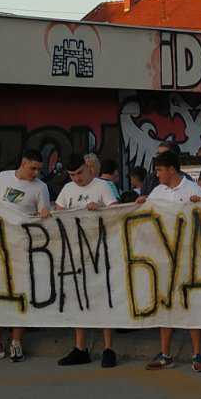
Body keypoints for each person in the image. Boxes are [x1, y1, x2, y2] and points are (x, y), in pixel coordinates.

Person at [0, 149, 52, 362]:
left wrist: (45, 212)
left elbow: (44, 216)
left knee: (20, 294)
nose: (36, 173)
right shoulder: (3, 177)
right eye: (33, 168)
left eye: (39, 169)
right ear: (23, 163)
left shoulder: (41, 188)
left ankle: (16, 341)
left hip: (21, 248)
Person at [142, 152, 201, 372]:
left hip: (188, 256)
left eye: (160, 170)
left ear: (171, 169)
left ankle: (197, 354)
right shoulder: (157, 192)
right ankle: (165, 354)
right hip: (163, 256)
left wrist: (200, 206)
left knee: (191, 304)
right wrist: (140, 205)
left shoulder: (193, 190)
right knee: (165, 304)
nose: (157, 174)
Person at [54, 153, 120, 367]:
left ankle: (108, 348)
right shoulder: (67, 189)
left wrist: (100, 209)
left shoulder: (103, 186)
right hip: (75, 251)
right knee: (77, 298)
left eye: (79, 173)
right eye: (72, 175)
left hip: (100, 250)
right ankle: (80, 348)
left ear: (88, 167)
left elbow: (117, 211)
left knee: (103, 298)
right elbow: (58, 213)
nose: (77, 178)